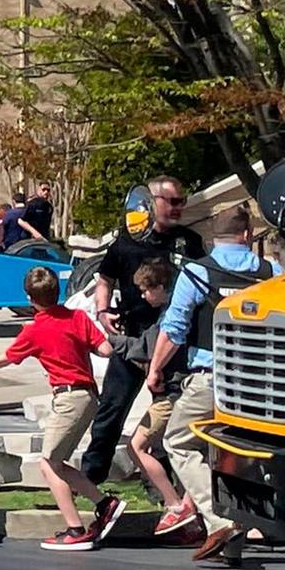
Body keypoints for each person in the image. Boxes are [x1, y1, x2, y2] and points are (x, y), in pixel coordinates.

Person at [151, 205, 282, 564]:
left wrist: (155, 370)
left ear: (213, 238)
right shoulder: (274, 273)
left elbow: (175, 329)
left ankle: (218, 517)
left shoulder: (197, 273)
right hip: (265, 384)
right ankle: (234, 542)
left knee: (177, 441)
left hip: (214, 380)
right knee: (237, 453)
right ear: (248, 234)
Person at [0, 267, 123, 551]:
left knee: (48, 464)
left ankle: (76, 528)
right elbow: (105, 350)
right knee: (58, 461)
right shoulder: (78, 317)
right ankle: (105, 504)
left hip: (68, 398)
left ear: (30, 298)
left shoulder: (35, 330)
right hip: (88, 395)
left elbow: (6, 358)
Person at [81, 175, 206, 484]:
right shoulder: (127, 241)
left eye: (182, 201)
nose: (179, 208)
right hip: (132, 336)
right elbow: (105, 278)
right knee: (112, 408)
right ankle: (91, 477)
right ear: (152, 202)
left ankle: (162, 484)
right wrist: (102, 310)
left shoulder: (188, 242)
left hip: (171, 342)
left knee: (165, 415)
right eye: (172, 201)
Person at [123, 260, 198, 538]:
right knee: (192, 451)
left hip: (171, 394)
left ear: (162, 287)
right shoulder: (181, 313)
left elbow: (151, 348)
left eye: (147, 290)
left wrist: (113, 342)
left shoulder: (170, 320)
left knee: (137, 446)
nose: (144, 295)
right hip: (179, 391)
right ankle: (189, 510)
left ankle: (174, 503)